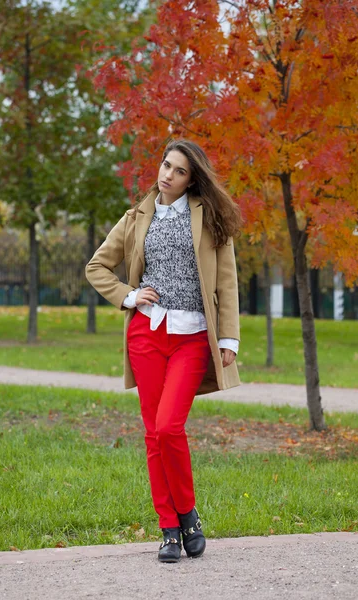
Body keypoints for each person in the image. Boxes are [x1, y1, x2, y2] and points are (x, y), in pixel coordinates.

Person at [85, 139, 242, 563]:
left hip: (192, 336)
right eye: (165, 165)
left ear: (193, 179)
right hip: (147, 335)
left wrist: (228, 338)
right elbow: (97, 266)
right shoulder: (137, 217)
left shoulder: (211, 218)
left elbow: (226, 281)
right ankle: (170, 528)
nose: (166, 175)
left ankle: (188, 511)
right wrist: (129, 296)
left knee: (170, 426)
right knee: (154, 434)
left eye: (178, 171)